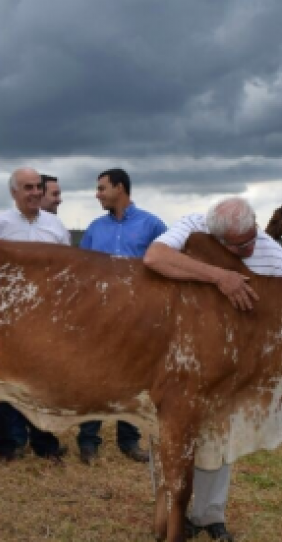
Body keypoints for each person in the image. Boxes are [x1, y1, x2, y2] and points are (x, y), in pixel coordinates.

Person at [143, 197, 282, 542]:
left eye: (250, 238)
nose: (248, 247)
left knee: (219, 436)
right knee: (168, 435)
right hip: (178, 360)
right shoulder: (193, 224)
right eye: (236, 245)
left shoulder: (277, 258)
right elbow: (154, 257)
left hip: (232, 366)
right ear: (216, 239)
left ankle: (210, 515)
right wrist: (220, 276)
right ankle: (169, 515)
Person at [76, 168, 166, 464]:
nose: (97, 194)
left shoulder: (152, 225)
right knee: (94, 376)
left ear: (120, 188)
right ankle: (88, 441)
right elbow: (81, 271)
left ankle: (129, 441)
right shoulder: (94, 228)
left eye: (102, 188)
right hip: (99, 316)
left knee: (133, 378)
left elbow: (167, 263)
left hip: (137, 317)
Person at [0, 167, 70, 463]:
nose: (35, 193)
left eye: (38, 187)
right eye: (27, 188)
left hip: (47, 317)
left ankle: (45, 442)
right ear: (14, 193)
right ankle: (9, 445)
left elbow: (67, 271)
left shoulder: (56, 227)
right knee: (6, 380)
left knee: (44, 381)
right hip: (8, 318)